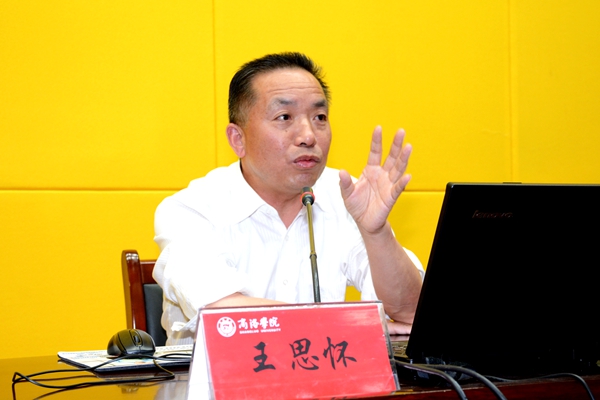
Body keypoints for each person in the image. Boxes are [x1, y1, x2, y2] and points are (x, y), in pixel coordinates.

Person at [153, 52, 424, 346]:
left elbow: (412, 313)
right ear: (238, 139)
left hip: (327, 374)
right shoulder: (190, 209)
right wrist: (352, 325)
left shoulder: (346, 196)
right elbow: (226, 317)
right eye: (284, 117)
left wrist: (376, 233)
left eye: (319, 118)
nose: (308, 135)